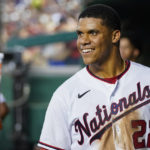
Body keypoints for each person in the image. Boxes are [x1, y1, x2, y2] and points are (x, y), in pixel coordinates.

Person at [37, 4, 150, 150]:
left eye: (93, 33)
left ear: (115, 36)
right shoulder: (65, 93)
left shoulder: (146, 78)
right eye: (80, 34)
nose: (83, 41)